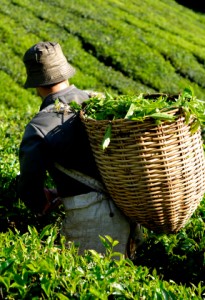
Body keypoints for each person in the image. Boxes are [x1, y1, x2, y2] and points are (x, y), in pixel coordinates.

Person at [18, 41, 142, 255]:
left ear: (36, 82)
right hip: (129, 212)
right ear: (65, 71)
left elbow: (30, 189)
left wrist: (42, 200)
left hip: (92, 222)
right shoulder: (101, 103)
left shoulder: (39, 127)